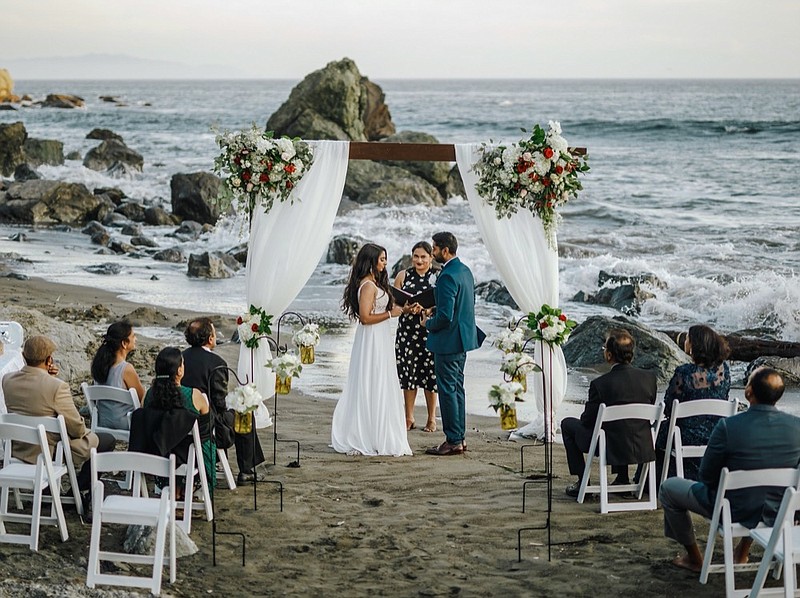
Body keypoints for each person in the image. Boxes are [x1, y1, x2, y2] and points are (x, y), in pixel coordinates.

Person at [660, 367, 800, 572]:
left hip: (732, 508)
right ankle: (741, 553)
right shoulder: (797, 427)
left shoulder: (728, 426)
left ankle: (695, 559)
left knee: (668, 488)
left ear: (748, 392)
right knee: (761, 492)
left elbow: (706, 475)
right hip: (779, 508)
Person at [2, 335, 116, 513]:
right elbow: (76, 428)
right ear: (49, 360)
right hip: (48, 452)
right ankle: (77, 490)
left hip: (18, 448)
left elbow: (33, 399)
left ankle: (48, 493)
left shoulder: (7, 381)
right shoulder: (57, 387)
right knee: (106, 440)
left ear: (24, 357)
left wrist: (48, 377)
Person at [331, 243, 412, 456]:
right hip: (372, 339)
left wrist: (403, 310)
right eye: (382, 259)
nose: (385, 263)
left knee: (381, 380)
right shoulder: (367, 286)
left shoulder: (376, 282)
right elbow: (366, 318)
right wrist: (390, 315)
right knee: (373, 380)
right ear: (371, 261)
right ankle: (366, 434)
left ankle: (378, 431)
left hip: (381, 337)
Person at [561, 328, 658, 497]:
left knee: (568, 424)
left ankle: (583, 481)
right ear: (632, 354)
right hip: (641, 443)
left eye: (605, 348)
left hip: (609, 445)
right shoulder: (649, 378)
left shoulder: (601, 384)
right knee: (624, 424)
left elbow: (587, 421)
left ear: (609, 355)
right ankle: (622, 478)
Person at [181, 317, 266, 485]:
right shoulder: (217, 363)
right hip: (207, 424)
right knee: (244, 414)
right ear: (210, 338)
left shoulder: (180, 357)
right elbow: (220, 403)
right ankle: (246, 470)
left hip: (181, 420)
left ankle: (225, 464)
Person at [420, 232, 482, 456]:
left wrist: (428, 322)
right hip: (463, 339)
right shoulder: (464, 270)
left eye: (435, 248)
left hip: (447, 341)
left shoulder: (446, 275)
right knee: (457, 389)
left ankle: (453, 440)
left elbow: (445, 316)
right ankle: (460, 437)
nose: (433, 252)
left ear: (445, 250)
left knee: (447, 391)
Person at [656, 324, 731, 482]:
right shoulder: (723, 371)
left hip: (686, 435)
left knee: (655, 433)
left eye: (688, 338)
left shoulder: (684, 372)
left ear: (695, 345)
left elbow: (669, 407)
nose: (686, 341)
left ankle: (656, 480)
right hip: (716, 433)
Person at [137, 347, 216, 486]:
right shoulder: (193, 395)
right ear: (179, 371)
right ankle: (187, 485)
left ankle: (176, 487)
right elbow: (208, 424)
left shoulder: (149, 395)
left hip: (158, 453)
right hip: (189, 456)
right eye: (183, 364)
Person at [394, 241, 438, 432]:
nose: (419, 260)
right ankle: (409, 417)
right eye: (416, 256)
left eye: (423, 257)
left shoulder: (438, 276)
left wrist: (428, 309)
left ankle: (431, 418)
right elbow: (394, 304)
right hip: (407, 331)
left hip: (429, 329)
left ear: (430, 258)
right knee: (408, 373)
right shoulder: (403, 275)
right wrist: (405, 309)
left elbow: (443, 303)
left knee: (430, 375)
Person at [90, 321, 146, 430]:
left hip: (102, 421)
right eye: (133, 336)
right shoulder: (126, 369)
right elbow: (141, 398)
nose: (136, 339)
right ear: (124, 343)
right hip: (124, 423)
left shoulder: (99, 364)